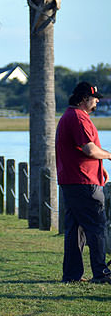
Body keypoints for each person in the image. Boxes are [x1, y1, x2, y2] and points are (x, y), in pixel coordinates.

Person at [55, 81, 111, 283]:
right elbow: (89, 149)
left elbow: (83, 152)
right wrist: (109, 156)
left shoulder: (69, 116)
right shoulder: (78, 118)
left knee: (75, 229)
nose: (97, 101)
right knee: (96, 226)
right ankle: (101, 273)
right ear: (84, 99)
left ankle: (71, 275)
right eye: (94, 98)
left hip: (72, 180)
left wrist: (99, 166)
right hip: (83, 182)